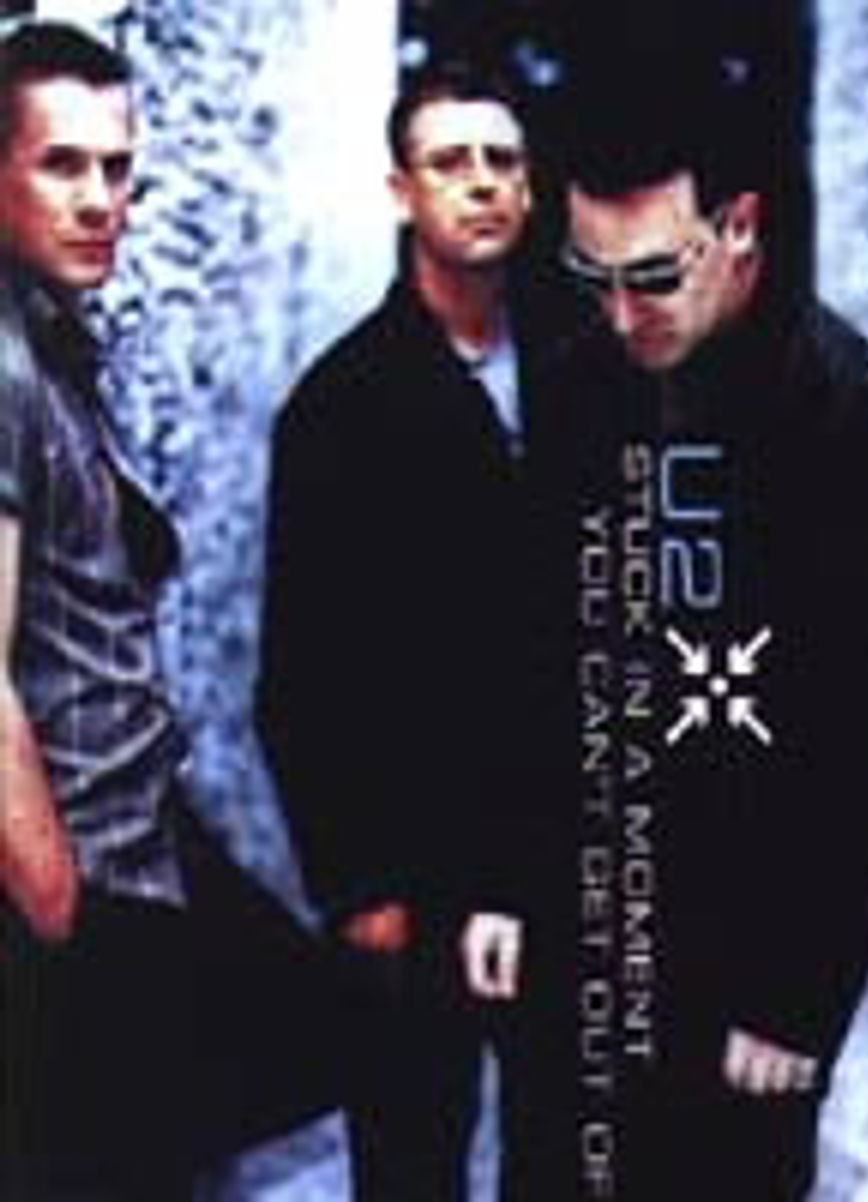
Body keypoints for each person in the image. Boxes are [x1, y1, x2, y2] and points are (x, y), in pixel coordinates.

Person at [535, 60, 868, 1200]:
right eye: (592, 277)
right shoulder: (580, 388)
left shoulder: (851, 422)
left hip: (744, 975)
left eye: (654, 277)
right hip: (583, 950)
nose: (621, 315)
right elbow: (533, 662)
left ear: (740, 226)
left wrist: (795, 994)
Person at [0, 23, 340, 1200]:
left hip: (135, 849)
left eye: (118, 168)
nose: (101, 200)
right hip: (77, 886)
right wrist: (58, 908)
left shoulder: (51, 339)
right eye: (63, 164)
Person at [255, 59, 576, 1201]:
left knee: (570, 1162)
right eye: (450, 162)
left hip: (560, 861)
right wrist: (359, 890)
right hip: (411, 876)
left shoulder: (591, 372)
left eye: (502, 161)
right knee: (409, 1167)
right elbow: (300, 675)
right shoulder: (340, 407)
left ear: (530, 188)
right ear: (402, 190)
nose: (480, 183)